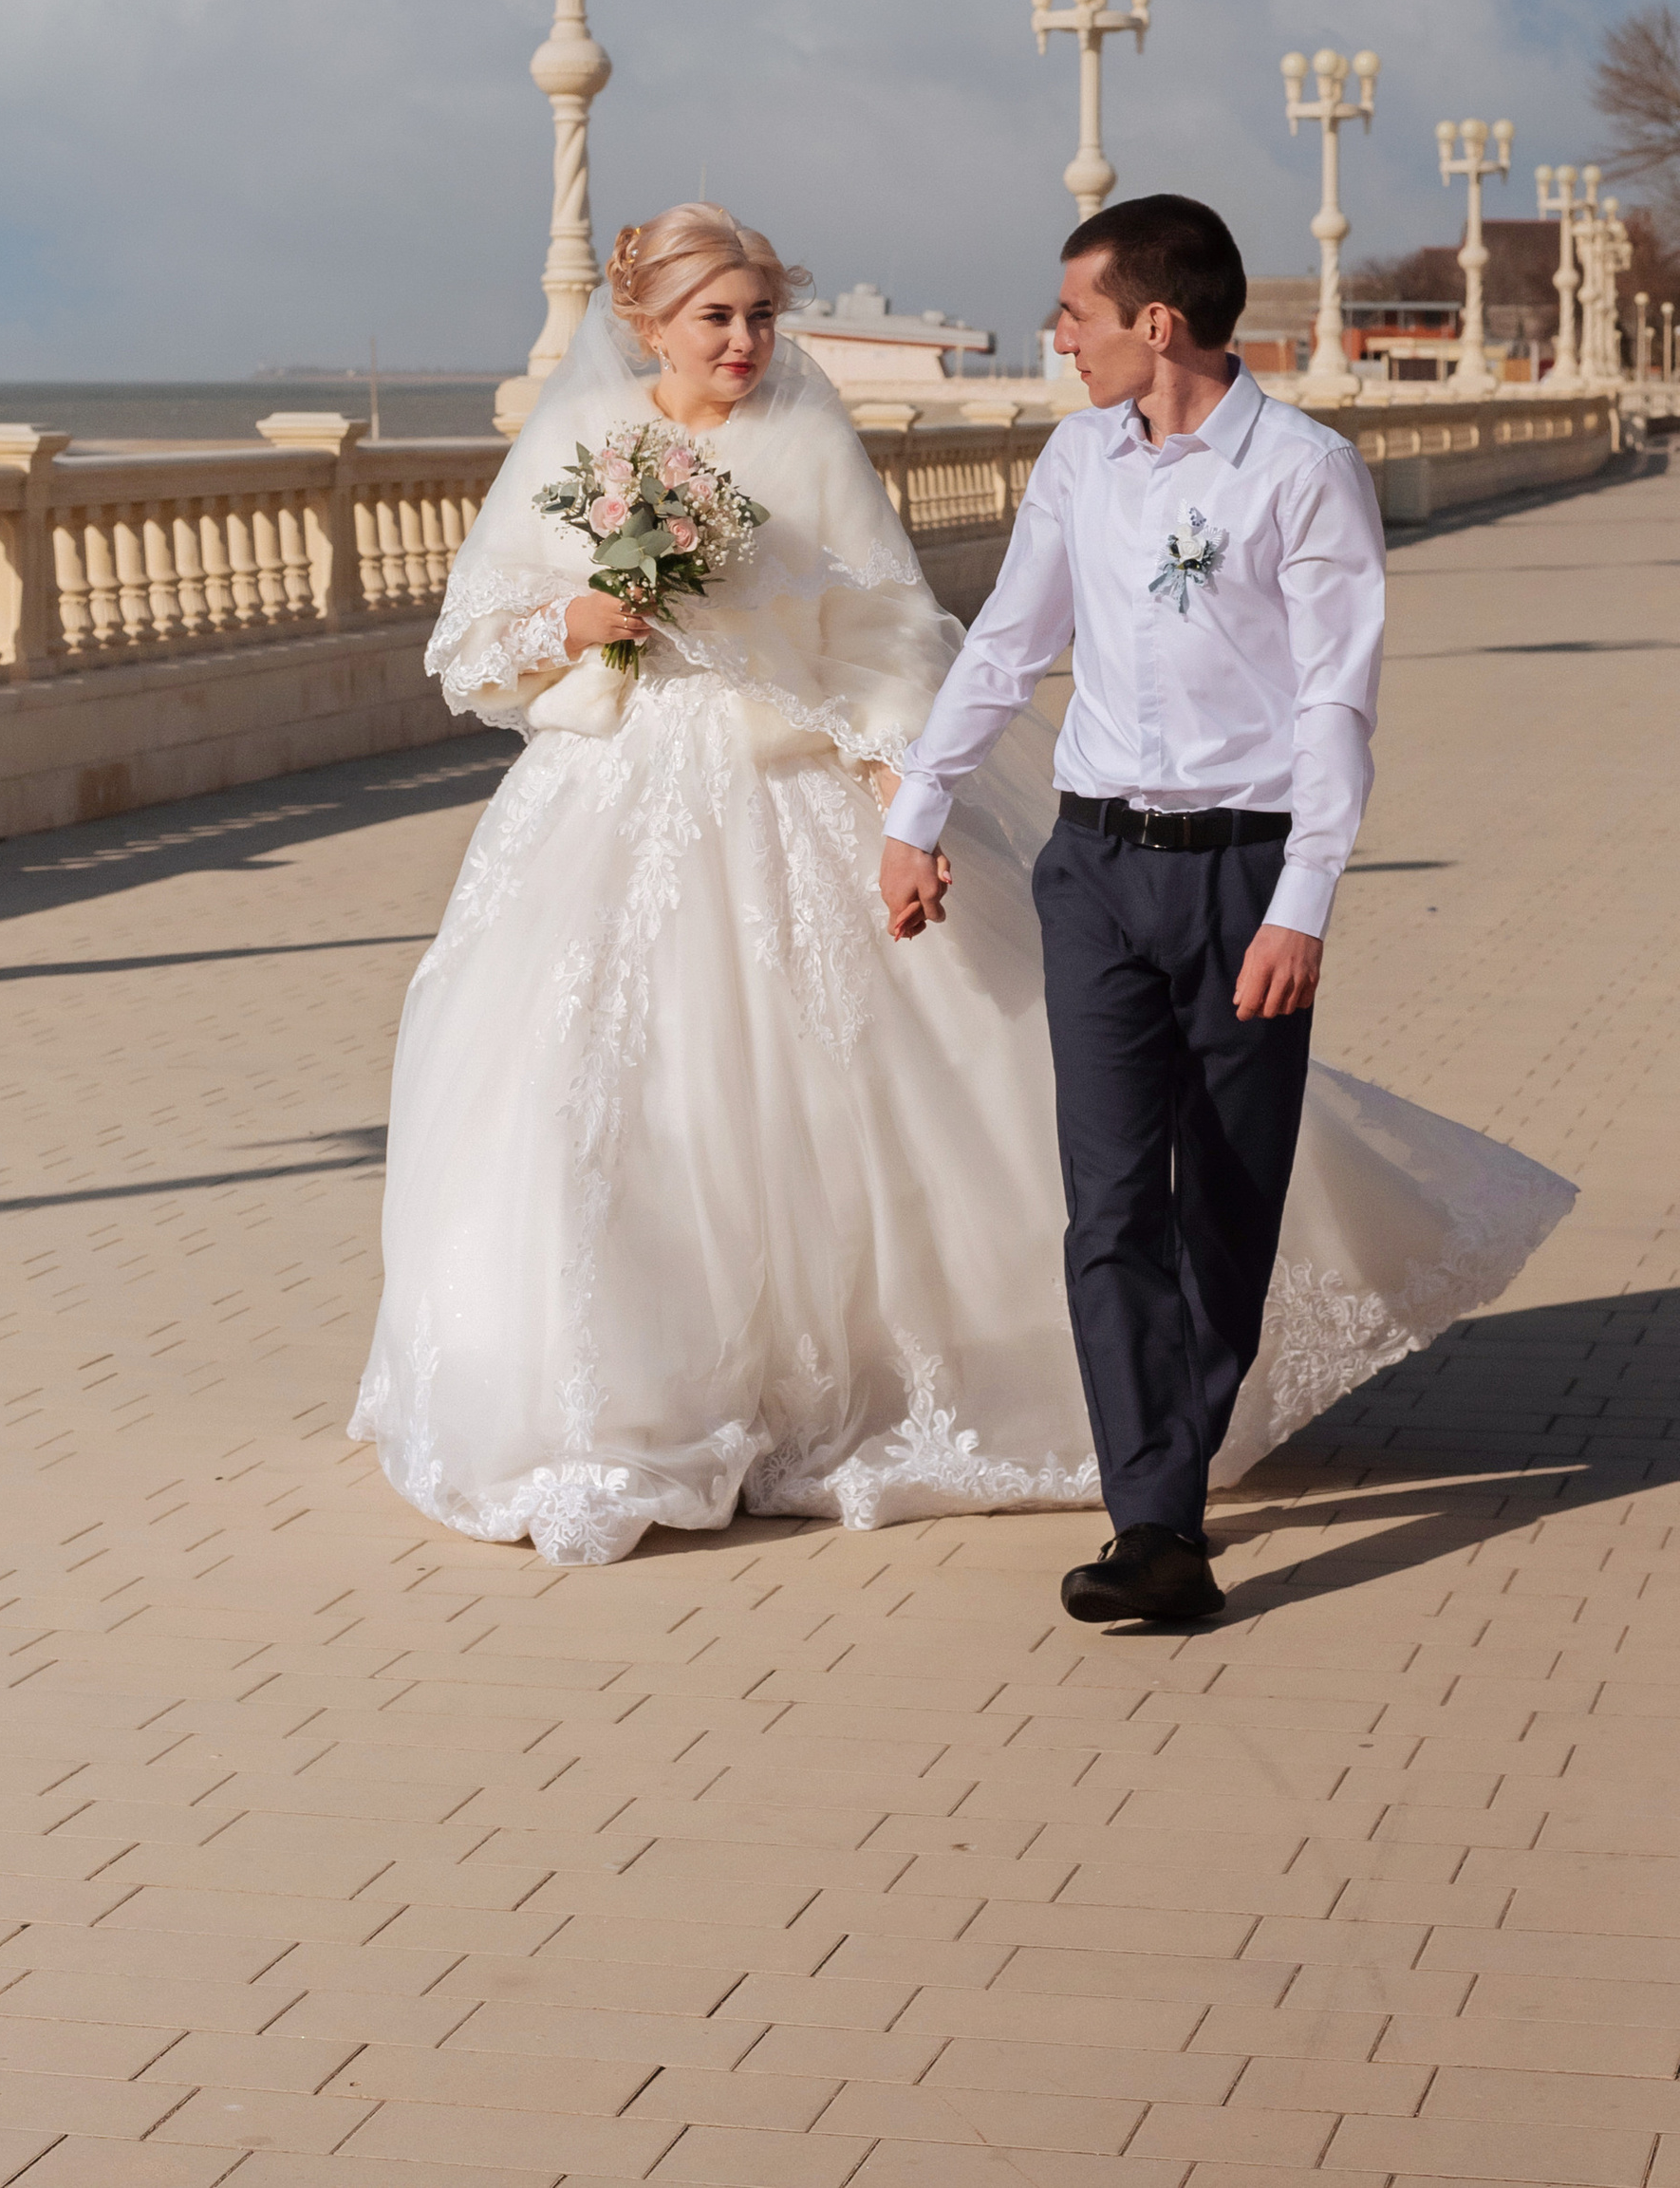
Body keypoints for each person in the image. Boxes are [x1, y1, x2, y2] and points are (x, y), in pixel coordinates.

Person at [349, 201, 1572, 1575]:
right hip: (638, 796)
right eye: (719, 318)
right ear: (645, 325)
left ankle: (1161, 1436)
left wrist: (907, 794)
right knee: (623, 1105)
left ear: (1149, 321)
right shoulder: (600, 440)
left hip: (876, 799)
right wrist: (583, 619)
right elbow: (483, 636)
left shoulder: (840, 440)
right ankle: (655, 1396)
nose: (749, 339)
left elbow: (900, 636)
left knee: (1125, 1160)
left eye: (762, 312)